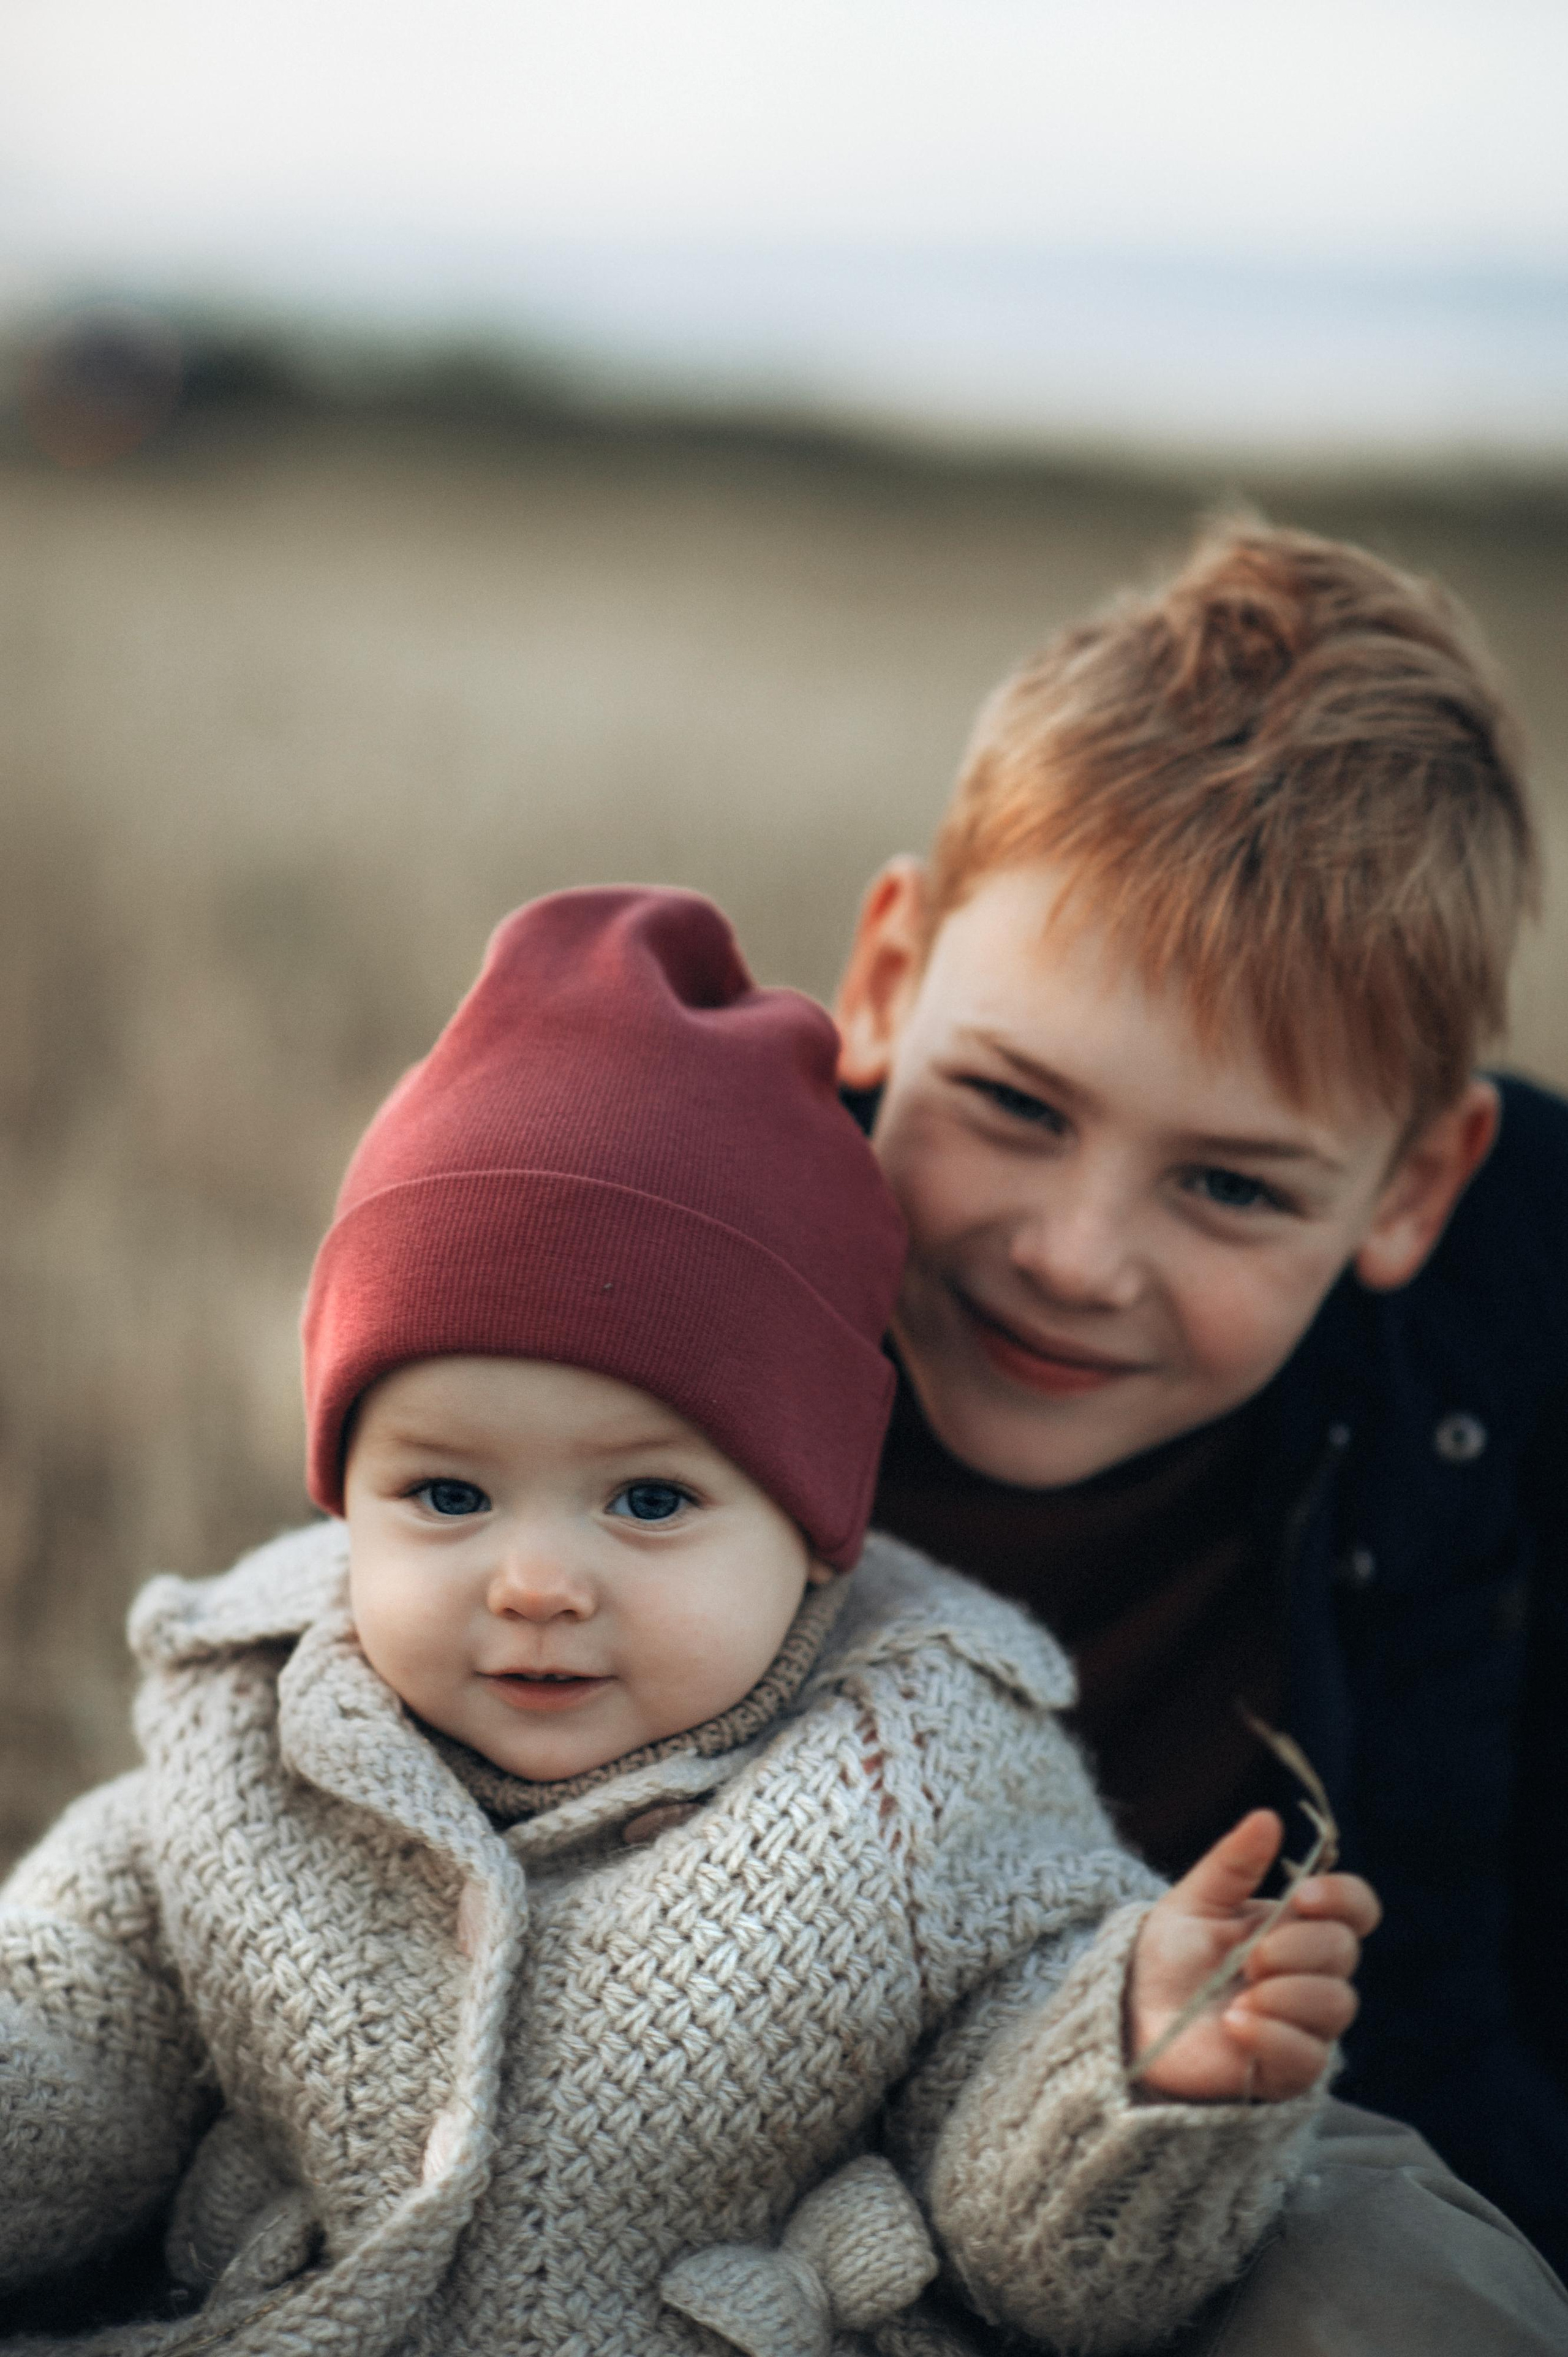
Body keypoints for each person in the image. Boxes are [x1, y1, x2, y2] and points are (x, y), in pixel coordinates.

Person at [0, 887, 1378, 2356]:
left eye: (647, 1504)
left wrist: (1141, 2063)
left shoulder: (917, 1779)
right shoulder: (248, 1732)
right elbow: (77, 2029)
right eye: (449, 1493)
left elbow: (1029, 2239)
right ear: (347, 1495)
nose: (535, 1582)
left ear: (811, 1523)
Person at [834, 520, 1568, 2298]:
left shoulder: (1471, 1393)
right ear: (886, 982)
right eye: (1014, 1104)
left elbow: (1455, 2024)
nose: (1080, 1260)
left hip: (1236, 2189)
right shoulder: (663, 1292)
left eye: (1232, 1189)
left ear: (1411, 1189)